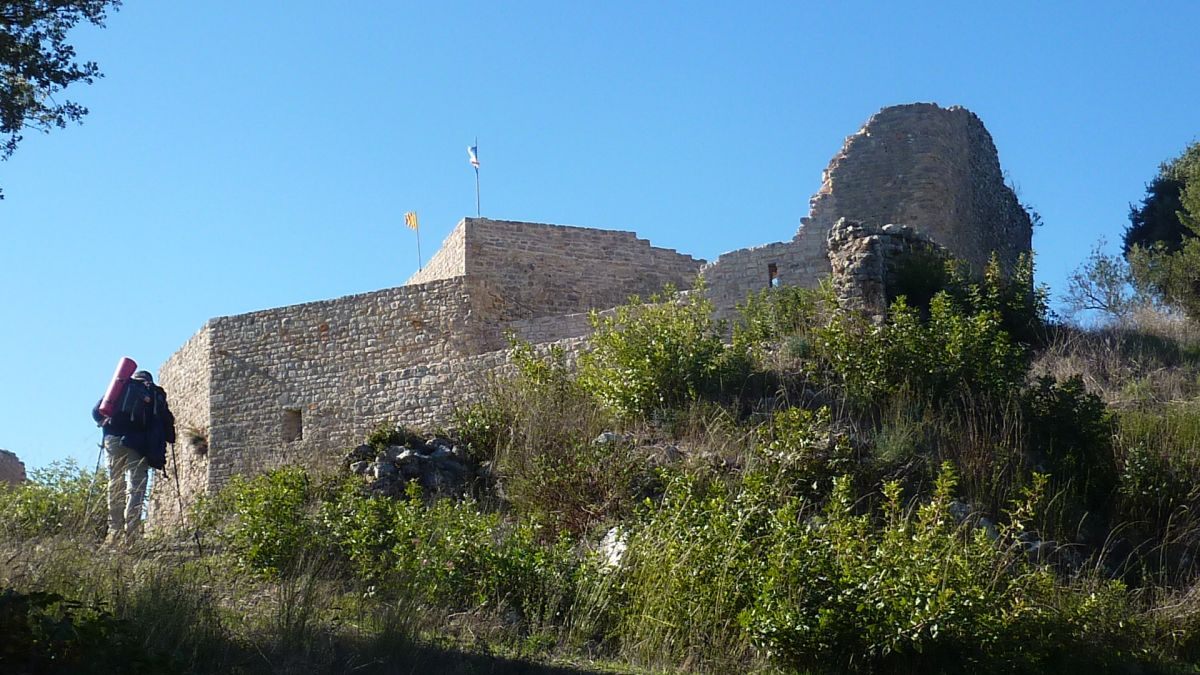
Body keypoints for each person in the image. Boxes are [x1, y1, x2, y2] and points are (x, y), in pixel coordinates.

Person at [92, 370, 176, 545]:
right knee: (135, 487)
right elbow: (168, 425)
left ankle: (114, 531)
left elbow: (96, 412)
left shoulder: (120, 386)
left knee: (115, 482)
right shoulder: (153, 392)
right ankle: (132, 533)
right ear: (149, 380)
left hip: (113, 441)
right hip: (138, 444)